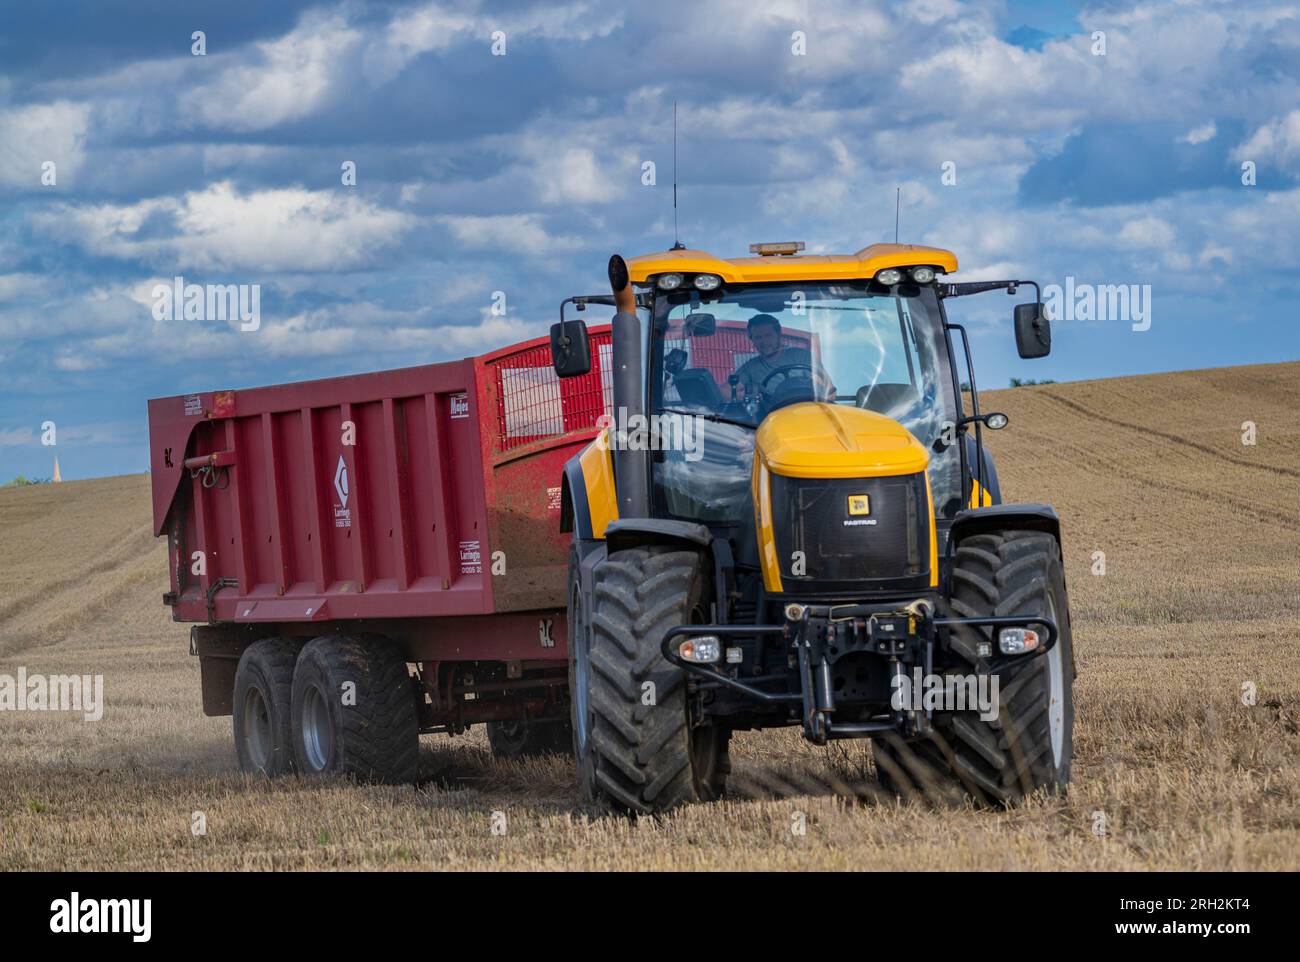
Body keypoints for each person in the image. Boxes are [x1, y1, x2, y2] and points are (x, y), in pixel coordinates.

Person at [735, 313, 834, 404]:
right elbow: (726, 390)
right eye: (758, 337)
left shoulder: (803, 356)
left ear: (779, 334)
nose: (764, 342)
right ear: (752, 339)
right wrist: (740, 395)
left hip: (807, 412)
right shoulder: (751, 368)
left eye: (768, 335)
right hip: (772, 418)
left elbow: (829, 391)